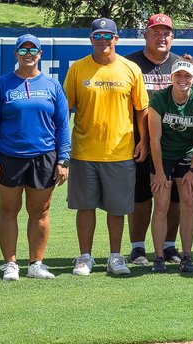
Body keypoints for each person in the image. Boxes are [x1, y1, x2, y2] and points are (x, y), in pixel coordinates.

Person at [63, 18, 150, 277]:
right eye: (98, 36)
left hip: (120, 152)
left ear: (116, 39)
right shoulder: (77, 69)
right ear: (91, 39)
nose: (103, 41)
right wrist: (63, 146)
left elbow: (141, 109)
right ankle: (85, 257)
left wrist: (143, 141)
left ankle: (115, 256)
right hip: (84, 151)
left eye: (107, 36)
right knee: (85, 207)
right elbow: (65, 110)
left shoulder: (130, 69)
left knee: (117, 209)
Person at [0, 34, 70, 280]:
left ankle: (36, 264)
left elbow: (63, 125)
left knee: (40, 211)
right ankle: (10, 264)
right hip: (9, 156)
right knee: (8, 210)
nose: (28, 55)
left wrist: (63, 159)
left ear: (40, 54)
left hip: (44, 157)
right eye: (23, 50)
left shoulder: (52, 86)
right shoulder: (2, 85)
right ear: (16, 54)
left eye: (33, 51)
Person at [124, 13, 193, 268]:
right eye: (155, 33)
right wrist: (140, 140)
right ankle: (137, 246)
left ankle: (169, 245)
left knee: (176, 200)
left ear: (173, 37)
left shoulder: (182, 65)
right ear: (145, 35)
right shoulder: (130, 64)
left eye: (166, 33)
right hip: (138, 143)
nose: (161, 37)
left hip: (178, 147)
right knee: (141, 197)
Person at [146, 55, 193, 274]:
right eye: (178, 75)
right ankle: (158, 257)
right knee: (161, 205)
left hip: (187, 155)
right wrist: (158, 172)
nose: (183, 79)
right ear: (172, 77)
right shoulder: (159, 99)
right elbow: (154, 140)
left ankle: (187, 256)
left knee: (188, 205)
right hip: (163, 155)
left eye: (187, 76)